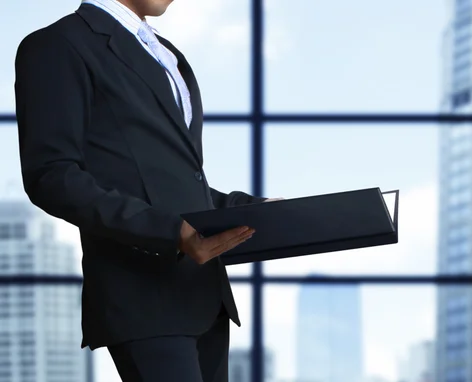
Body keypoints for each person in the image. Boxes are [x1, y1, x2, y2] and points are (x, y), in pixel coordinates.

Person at [14, 0, 281, 380]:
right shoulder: (58, 45)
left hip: (203, 295)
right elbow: (51, 175)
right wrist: (171, 232)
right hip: (142, 294)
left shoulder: (167, 55)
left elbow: (177, 182)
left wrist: (256, 210)